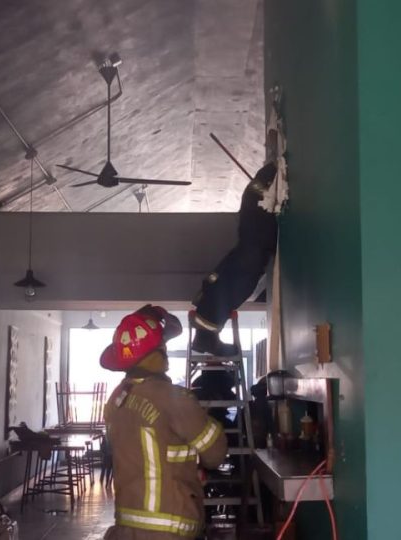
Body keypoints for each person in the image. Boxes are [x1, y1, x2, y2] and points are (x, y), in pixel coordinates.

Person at [101, 305, 229, 539]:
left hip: (125, 528)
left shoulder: (115, 401)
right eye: (163, 346)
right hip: (170, 526)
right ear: (157, 352)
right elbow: (216, 453)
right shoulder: (173, 398)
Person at [191, 162, 279, 356]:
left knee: (253, 232)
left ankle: (268, 176)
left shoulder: (213, 304)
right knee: (252, 215)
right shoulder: (209, 301)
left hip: (250, 256)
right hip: (248, 255)